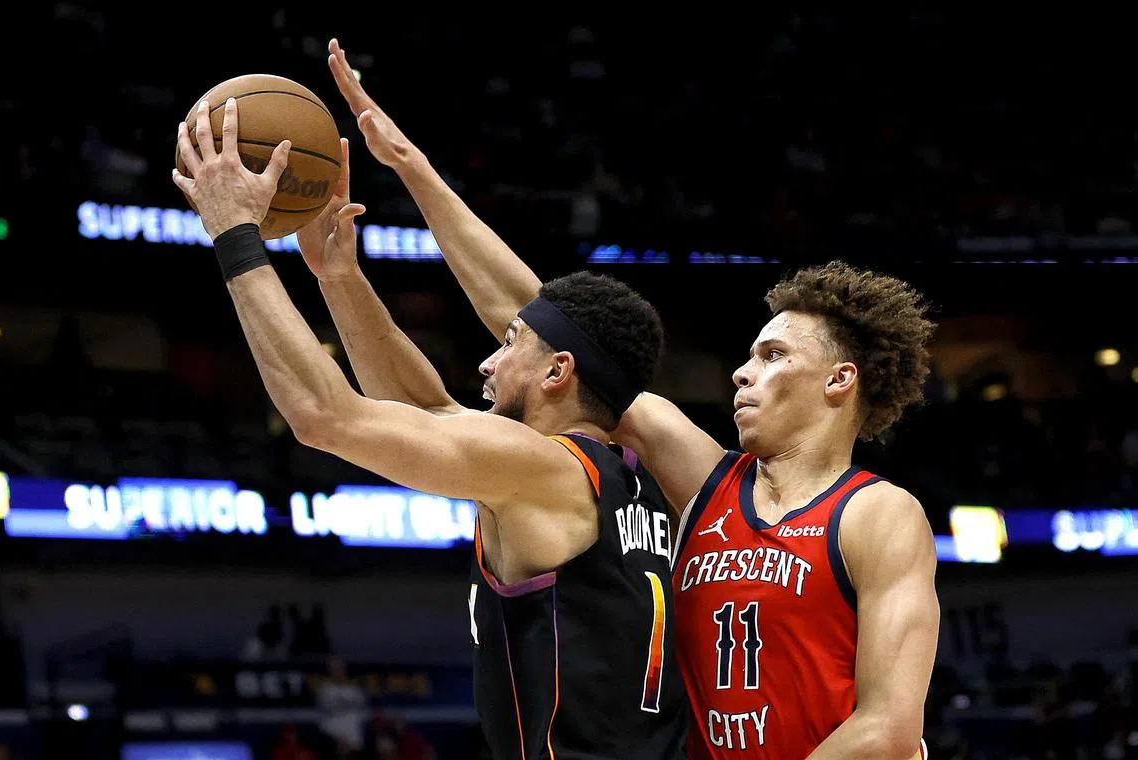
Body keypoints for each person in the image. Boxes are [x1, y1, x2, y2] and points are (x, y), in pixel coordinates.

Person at [322, 38, 939, 759]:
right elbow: (550, 327)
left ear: (841, 381)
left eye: (772, 356)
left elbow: (889, 730)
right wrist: (413, 169)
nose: (741, 373)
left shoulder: (879, 514)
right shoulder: (711, 485)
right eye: (746, 355)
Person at [171, 98, 686, 759]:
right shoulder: (632, 479)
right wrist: (339, 278)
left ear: (558, 371)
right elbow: (433, 412)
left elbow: (324, 416)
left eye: (509, 342)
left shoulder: (543, 468)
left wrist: (234, 234)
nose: (487, 361)